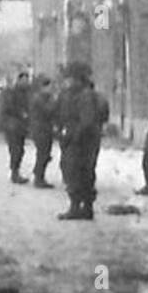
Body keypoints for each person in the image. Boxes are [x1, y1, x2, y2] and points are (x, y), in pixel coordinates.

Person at [54, 61, 108, 220]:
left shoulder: (84, 96)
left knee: (76, 172)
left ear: (77, 79)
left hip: (81, 142)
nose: (66, 82)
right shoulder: (72, 94)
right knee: (81, 172)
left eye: (69, 78)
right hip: (79, 140)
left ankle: (78, 207)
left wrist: (72, 136)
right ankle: (85, 207)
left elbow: (87, 121)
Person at [0, 71, 32, 183]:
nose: (26, 82)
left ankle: (16, 172)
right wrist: (21, 113)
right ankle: (14, 173)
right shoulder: (11, 92)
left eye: (27, 79)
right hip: (12, 125)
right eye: (24, 80)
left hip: (21, 126)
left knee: (20, 150)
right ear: (19, 80)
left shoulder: (27, 92)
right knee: (15, 150)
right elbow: (7, 108)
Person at [28, 75, 56, 188]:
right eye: (50, 87)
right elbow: (48, 111)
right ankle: (38, 178)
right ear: (44, 87)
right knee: (43, 154)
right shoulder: (40, 99)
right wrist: (54, 103)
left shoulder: (42, 98)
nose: (51, 89)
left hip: (43, 129)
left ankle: (39, 175)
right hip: (41, 130)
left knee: (44, 154)